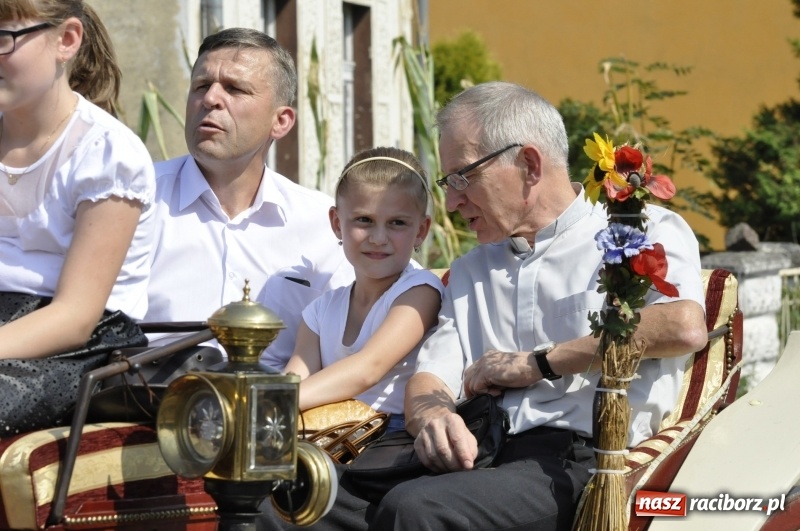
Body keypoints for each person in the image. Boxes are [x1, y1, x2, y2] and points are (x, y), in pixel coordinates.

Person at [267, 81, 709, 530]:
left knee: (418, 509)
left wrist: (539, 363)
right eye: (446, 182)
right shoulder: (472, 269)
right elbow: (430, 377)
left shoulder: (635, 229)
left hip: (575, 463)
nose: (453, 201)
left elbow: (682, 326)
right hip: (476, 454)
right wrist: (433, 415)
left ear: (529, 165)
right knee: (287, 495)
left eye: (461, 177)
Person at [144, 28, 353, 369]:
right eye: (201, 85)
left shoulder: (324, 223)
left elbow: (402, 293)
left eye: (235, 88)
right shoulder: (135, 200)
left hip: (281, 413)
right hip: (148, 407)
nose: (211, 99)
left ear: (280, 121)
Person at [0, 0, 155, 360]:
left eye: (4, 37)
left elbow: (75, 318)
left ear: (66, 40)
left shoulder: (107, 154)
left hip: (75, 351)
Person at [285, 147, 443, 432]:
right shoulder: (320, 311)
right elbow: (294, 379)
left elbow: (368, 369)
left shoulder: (421, 291)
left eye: (397, 223)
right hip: (330, 437)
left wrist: (272, 401)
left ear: (421, 230)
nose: (379, 238)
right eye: (364, 220)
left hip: (391, 442)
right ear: (337, 223)